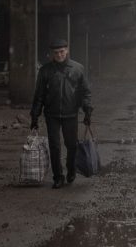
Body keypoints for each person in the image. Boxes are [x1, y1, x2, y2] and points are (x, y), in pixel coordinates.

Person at [30, 38, 92, 189]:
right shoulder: (45, 71)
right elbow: (39, 95)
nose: (59, 55)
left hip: (71, 114)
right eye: (56, 52)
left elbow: (85, 93)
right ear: (52, 53)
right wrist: (35, 116)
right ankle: (58, 177)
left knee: (71, 145)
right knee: (54, 146)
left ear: (67, 50)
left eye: (62, 51)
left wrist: (87, 110)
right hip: (51, 115)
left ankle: (71, 170)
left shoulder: (78, 69)